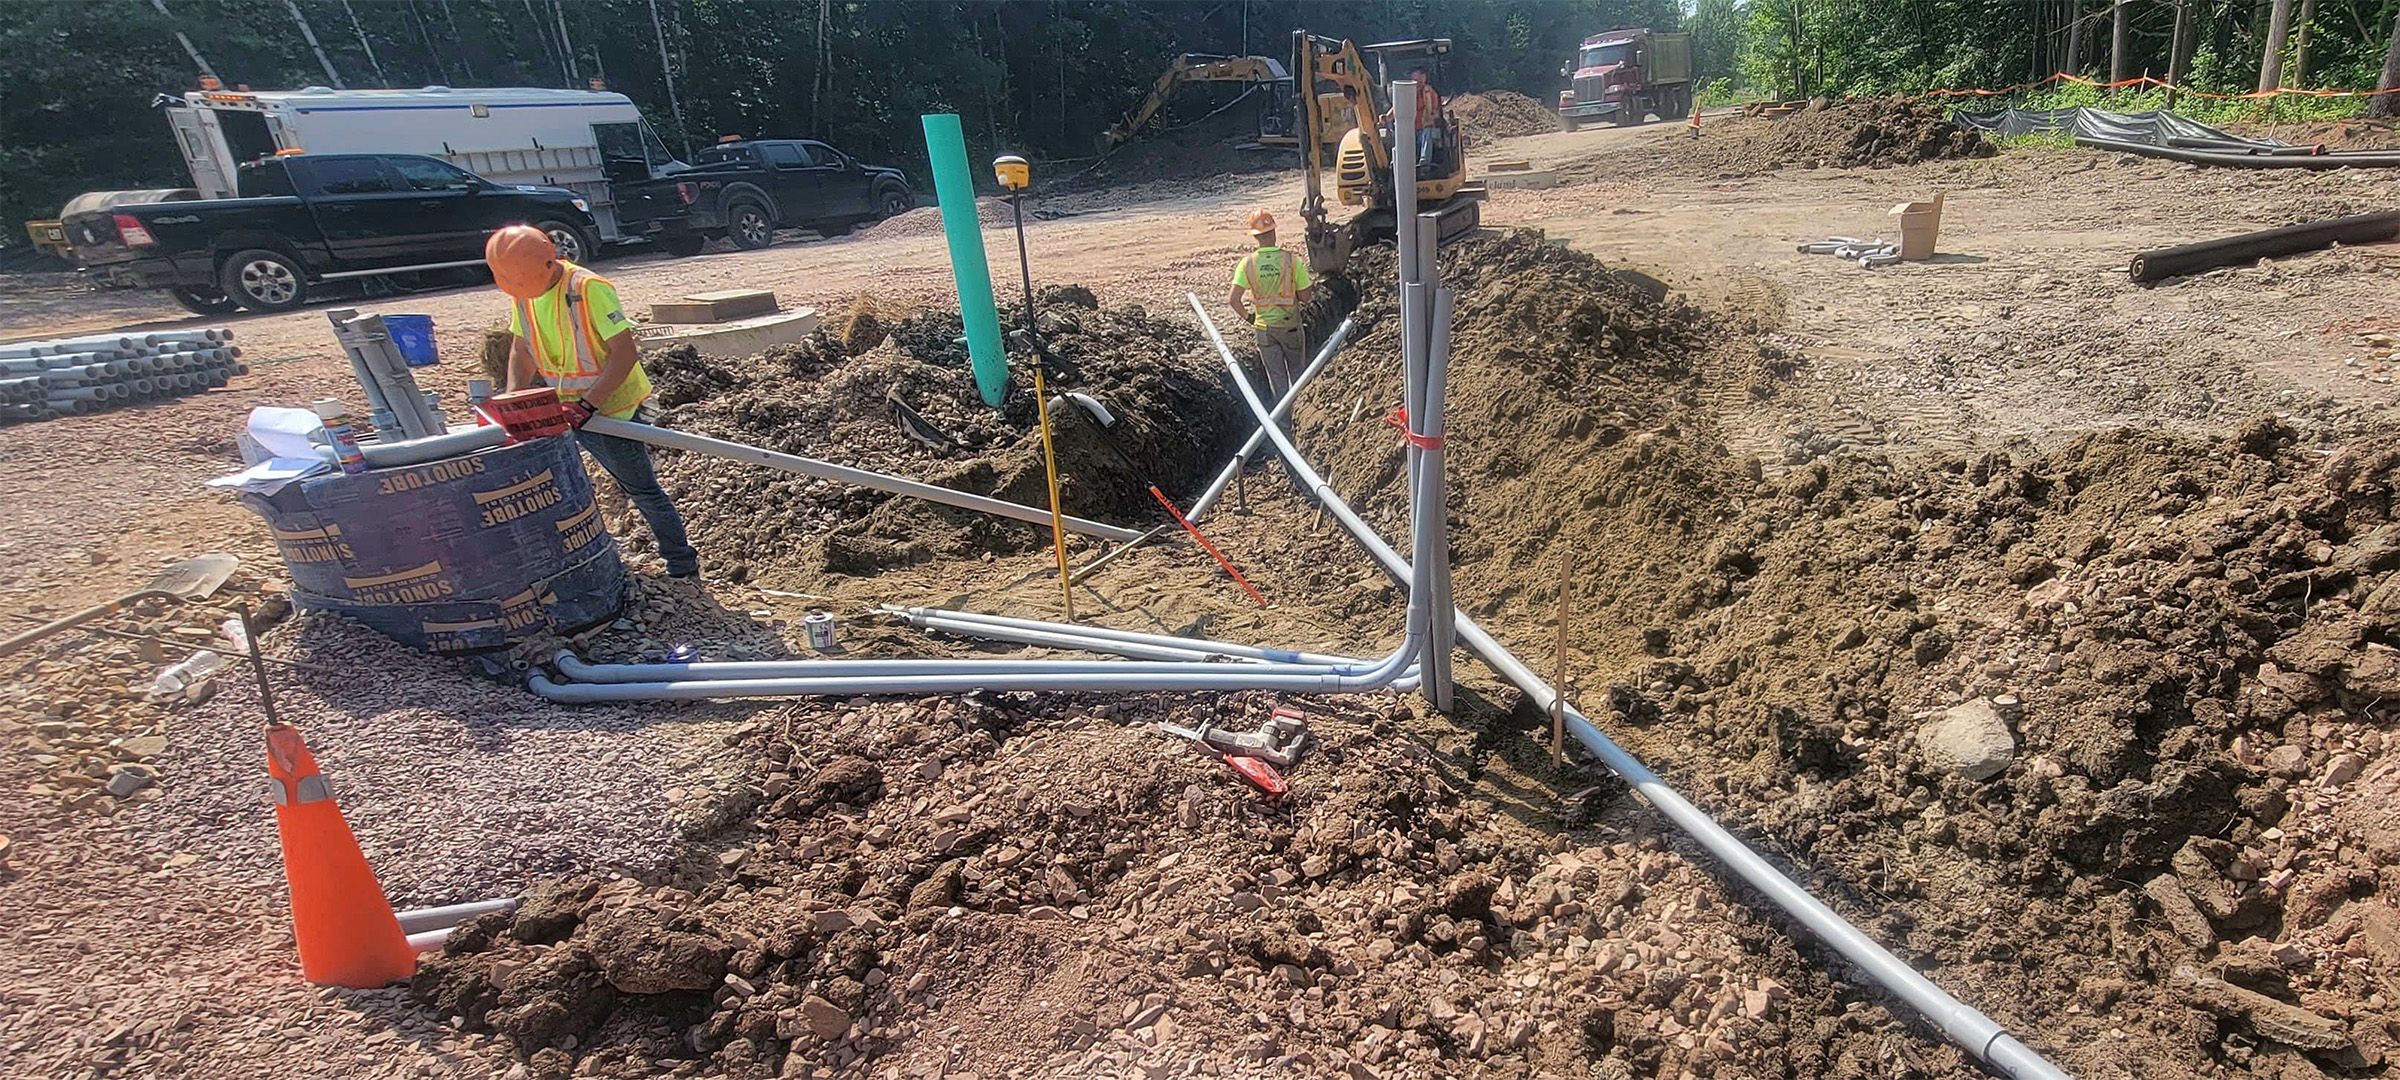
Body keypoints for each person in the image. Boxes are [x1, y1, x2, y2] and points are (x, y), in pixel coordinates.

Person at [485, 224, 701, 578]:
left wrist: (588, 405)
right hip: (567, 409)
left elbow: (625, 352)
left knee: (641, 489)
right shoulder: (523, 291)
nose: (520, 290)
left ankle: (681, 563)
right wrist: (512, 397)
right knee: (571, 485)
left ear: (549, 263)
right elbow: (521, 348)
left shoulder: (588, 289)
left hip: (612, 408)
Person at [1226, 210, 1313, 405]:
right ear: (1274, 233)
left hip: (1264, 330)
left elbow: (1233, 300)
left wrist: (1250, 318)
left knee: (1278, 383)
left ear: (1255, 236)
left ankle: (1284, 427)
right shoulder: (1291, 260)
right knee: (1299, 377)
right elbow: (1307, 297)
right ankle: (1301, 423)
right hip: (1290, 327)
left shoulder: (1246, 264)